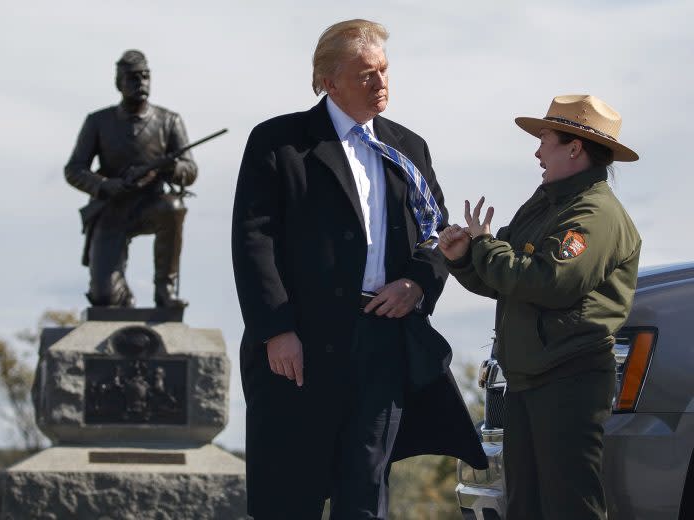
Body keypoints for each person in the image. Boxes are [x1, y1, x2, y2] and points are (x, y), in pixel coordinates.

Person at [232, 19, 486, 520]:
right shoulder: (278, 142)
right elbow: (252, 241)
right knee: (289, 496)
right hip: (299, 346)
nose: (381, 82)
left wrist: (418, 282)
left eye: (384, 70)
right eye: (366, 74)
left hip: (381, 344)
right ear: (329, 81)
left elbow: (434, 235)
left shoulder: (408, 149)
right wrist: (276, 331)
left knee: (365, 494)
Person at [438, 94, 641, 519]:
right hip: (533, 380)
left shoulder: (595, 214)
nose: (536, 151)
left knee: (571, 507)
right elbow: (508, 280)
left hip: (569, 381)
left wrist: (485, 246)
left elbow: (549, 282)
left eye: (544, 140)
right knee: (527, 506)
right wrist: (464, 256)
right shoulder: (548, 204)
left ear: (574, 147)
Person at [65, 50, 197, 308]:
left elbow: (190, 170)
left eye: (146, 77)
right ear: (119, 83)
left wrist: (171, 168)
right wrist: (104, 185)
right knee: (104, 299)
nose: (141, 84)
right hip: (111, 209)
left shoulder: (169, 121)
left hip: (151, 204)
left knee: (174, 208)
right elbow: (74, 169)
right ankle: (124, 300)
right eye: (133, 78)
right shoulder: (97, 122)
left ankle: (165, 290)